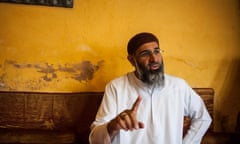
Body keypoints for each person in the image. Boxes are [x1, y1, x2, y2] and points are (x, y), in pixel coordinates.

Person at [89, 32, 212, 144]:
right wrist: (113, 125)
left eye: (157, 51)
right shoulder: (116, 87)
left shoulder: (178, 86)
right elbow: (94, 138)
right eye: (145, 54)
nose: (154, 59)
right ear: (132, 60)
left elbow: (203, 118)